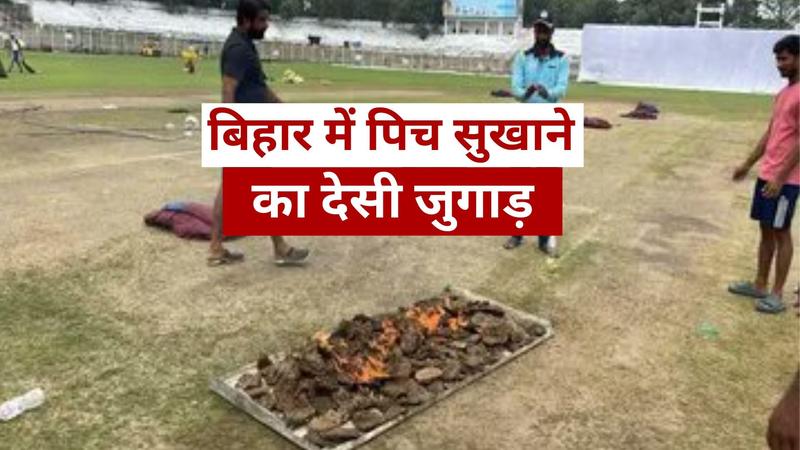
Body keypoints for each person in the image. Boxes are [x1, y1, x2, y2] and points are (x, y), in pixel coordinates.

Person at [208, 0, 309, 267]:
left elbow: (259, 88)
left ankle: (218, 248)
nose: (266, 25)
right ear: (246, 20)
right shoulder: (238, 49)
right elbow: (228, 89)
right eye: (262, 20)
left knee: (232, 187)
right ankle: (279, 247)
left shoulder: (245, 46)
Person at [730, 35, 800, 314]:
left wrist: (781, 177)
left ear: (798, 58)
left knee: (781, 232)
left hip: (786, 180)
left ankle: (777, 294)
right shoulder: (784, 94)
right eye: (777, 59)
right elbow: (772, 132)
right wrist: (748, 164)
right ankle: (759, 284)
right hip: (767, 173)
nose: (778, 65)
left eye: (784, 59)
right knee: (765, 230)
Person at [503, 10, 569, 257]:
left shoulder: (561, 59)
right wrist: (527, 92)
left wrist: (546, 92)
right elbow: (516, 88)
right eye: (538, 29)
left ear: (551, 32)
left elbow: (561, 89)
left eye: (545, 29)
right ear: (534, 31)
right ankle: (516, 233)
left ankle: (543, 238)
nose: (541, 33)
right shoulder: (522, 57)